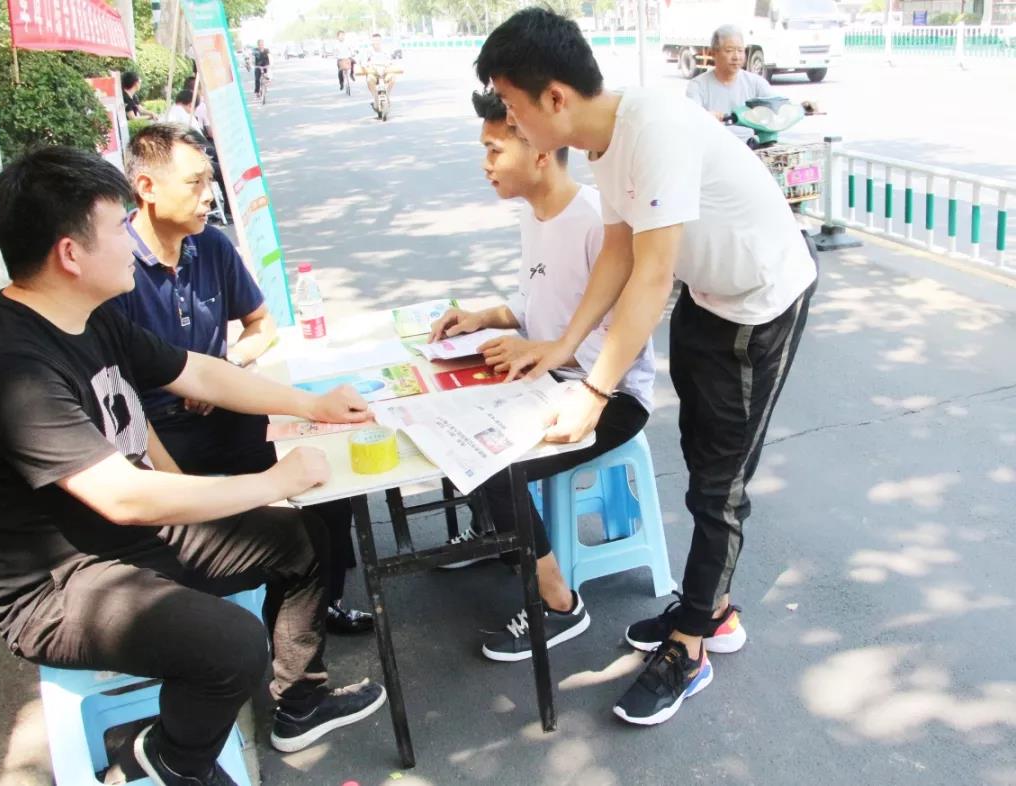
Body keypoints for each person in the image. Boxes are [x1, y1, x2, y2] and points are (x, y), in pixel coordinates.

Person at [0, 146, 386, 786]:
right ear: (70, 254)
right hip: (61, 587)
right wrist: (274, 481)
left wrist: (311, 404)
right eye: (117, 227)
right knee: (232, 646)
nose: (132, 239)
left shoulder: (89, 317)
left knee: (304, 539)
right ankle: (170, 758)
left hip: (127, 540)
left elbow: (195, 371)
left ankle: (300, 703)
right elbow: (124, 496)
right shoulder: (9, 367)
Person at [476, 8, 818, 726]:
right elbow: (619, 251)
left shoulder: (653, 128)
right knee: (702, 462)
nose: (510, 122)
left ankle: (693, 644)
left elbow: (651, 275)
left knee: (720, 485)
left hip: (761, 304)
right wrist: (562, 348)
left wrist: (595, 389)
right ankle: (708, 604)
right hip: (708, 295)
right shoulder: (605, 142)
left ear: (555, 98)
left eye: (511, 106)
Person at [110, 124, 373, 635]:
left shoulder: (211, 246)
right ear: (146, 187)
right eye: (194, 182)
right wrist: (180, 493)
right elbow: (124, 403)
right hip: (157, 431)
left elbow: (260, 325)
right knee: (236, 525)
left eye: (209, 180)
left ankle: (323, 601)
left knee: (326, 466)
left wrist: (227, 368)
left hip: (226, 408)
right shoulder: (117, 269)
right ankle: (239, 618)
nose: (210, 196)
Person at [429, 90, 658, 663]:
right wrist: (484, 317)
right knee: (452, 421)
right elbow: (537, 306)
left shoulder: (594, 221)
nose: (485, 164)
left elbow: (624, 332)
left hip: (609, 395)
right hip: (553, 379)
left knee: (496, 462)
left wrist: (548, 356)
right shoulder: (536, 217)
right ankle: (499, 536)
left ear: (536, 150)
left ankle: (559, 603)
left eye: (494, 149)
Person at [686, 25, 818, 143]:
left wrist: (802, 108)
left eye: (740, 50)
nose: (736, 57)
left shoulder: (756, 82)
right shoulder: (697, 85)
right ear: (713, 53)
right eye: (729, 50)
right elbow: (692, 116)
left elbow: (775, 107)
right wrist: (708, 116)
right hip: (715, 149)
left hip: (751, 148)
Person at [360, 33, 399, 105]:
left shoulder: (386, 50)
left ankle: (387, 95)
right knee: (369, 80)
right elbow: (363, 63)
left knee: (393, 77)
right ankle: (375, 97)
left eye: (378, 40)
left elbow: (391, 61)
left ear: (381, 41)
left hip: (385, 72)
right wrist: (366, 67)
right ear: (371, 41)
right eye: (374, 41)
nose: (376, 42)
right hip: (373, 73)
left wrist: (388, 65)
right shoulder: (368, 51)